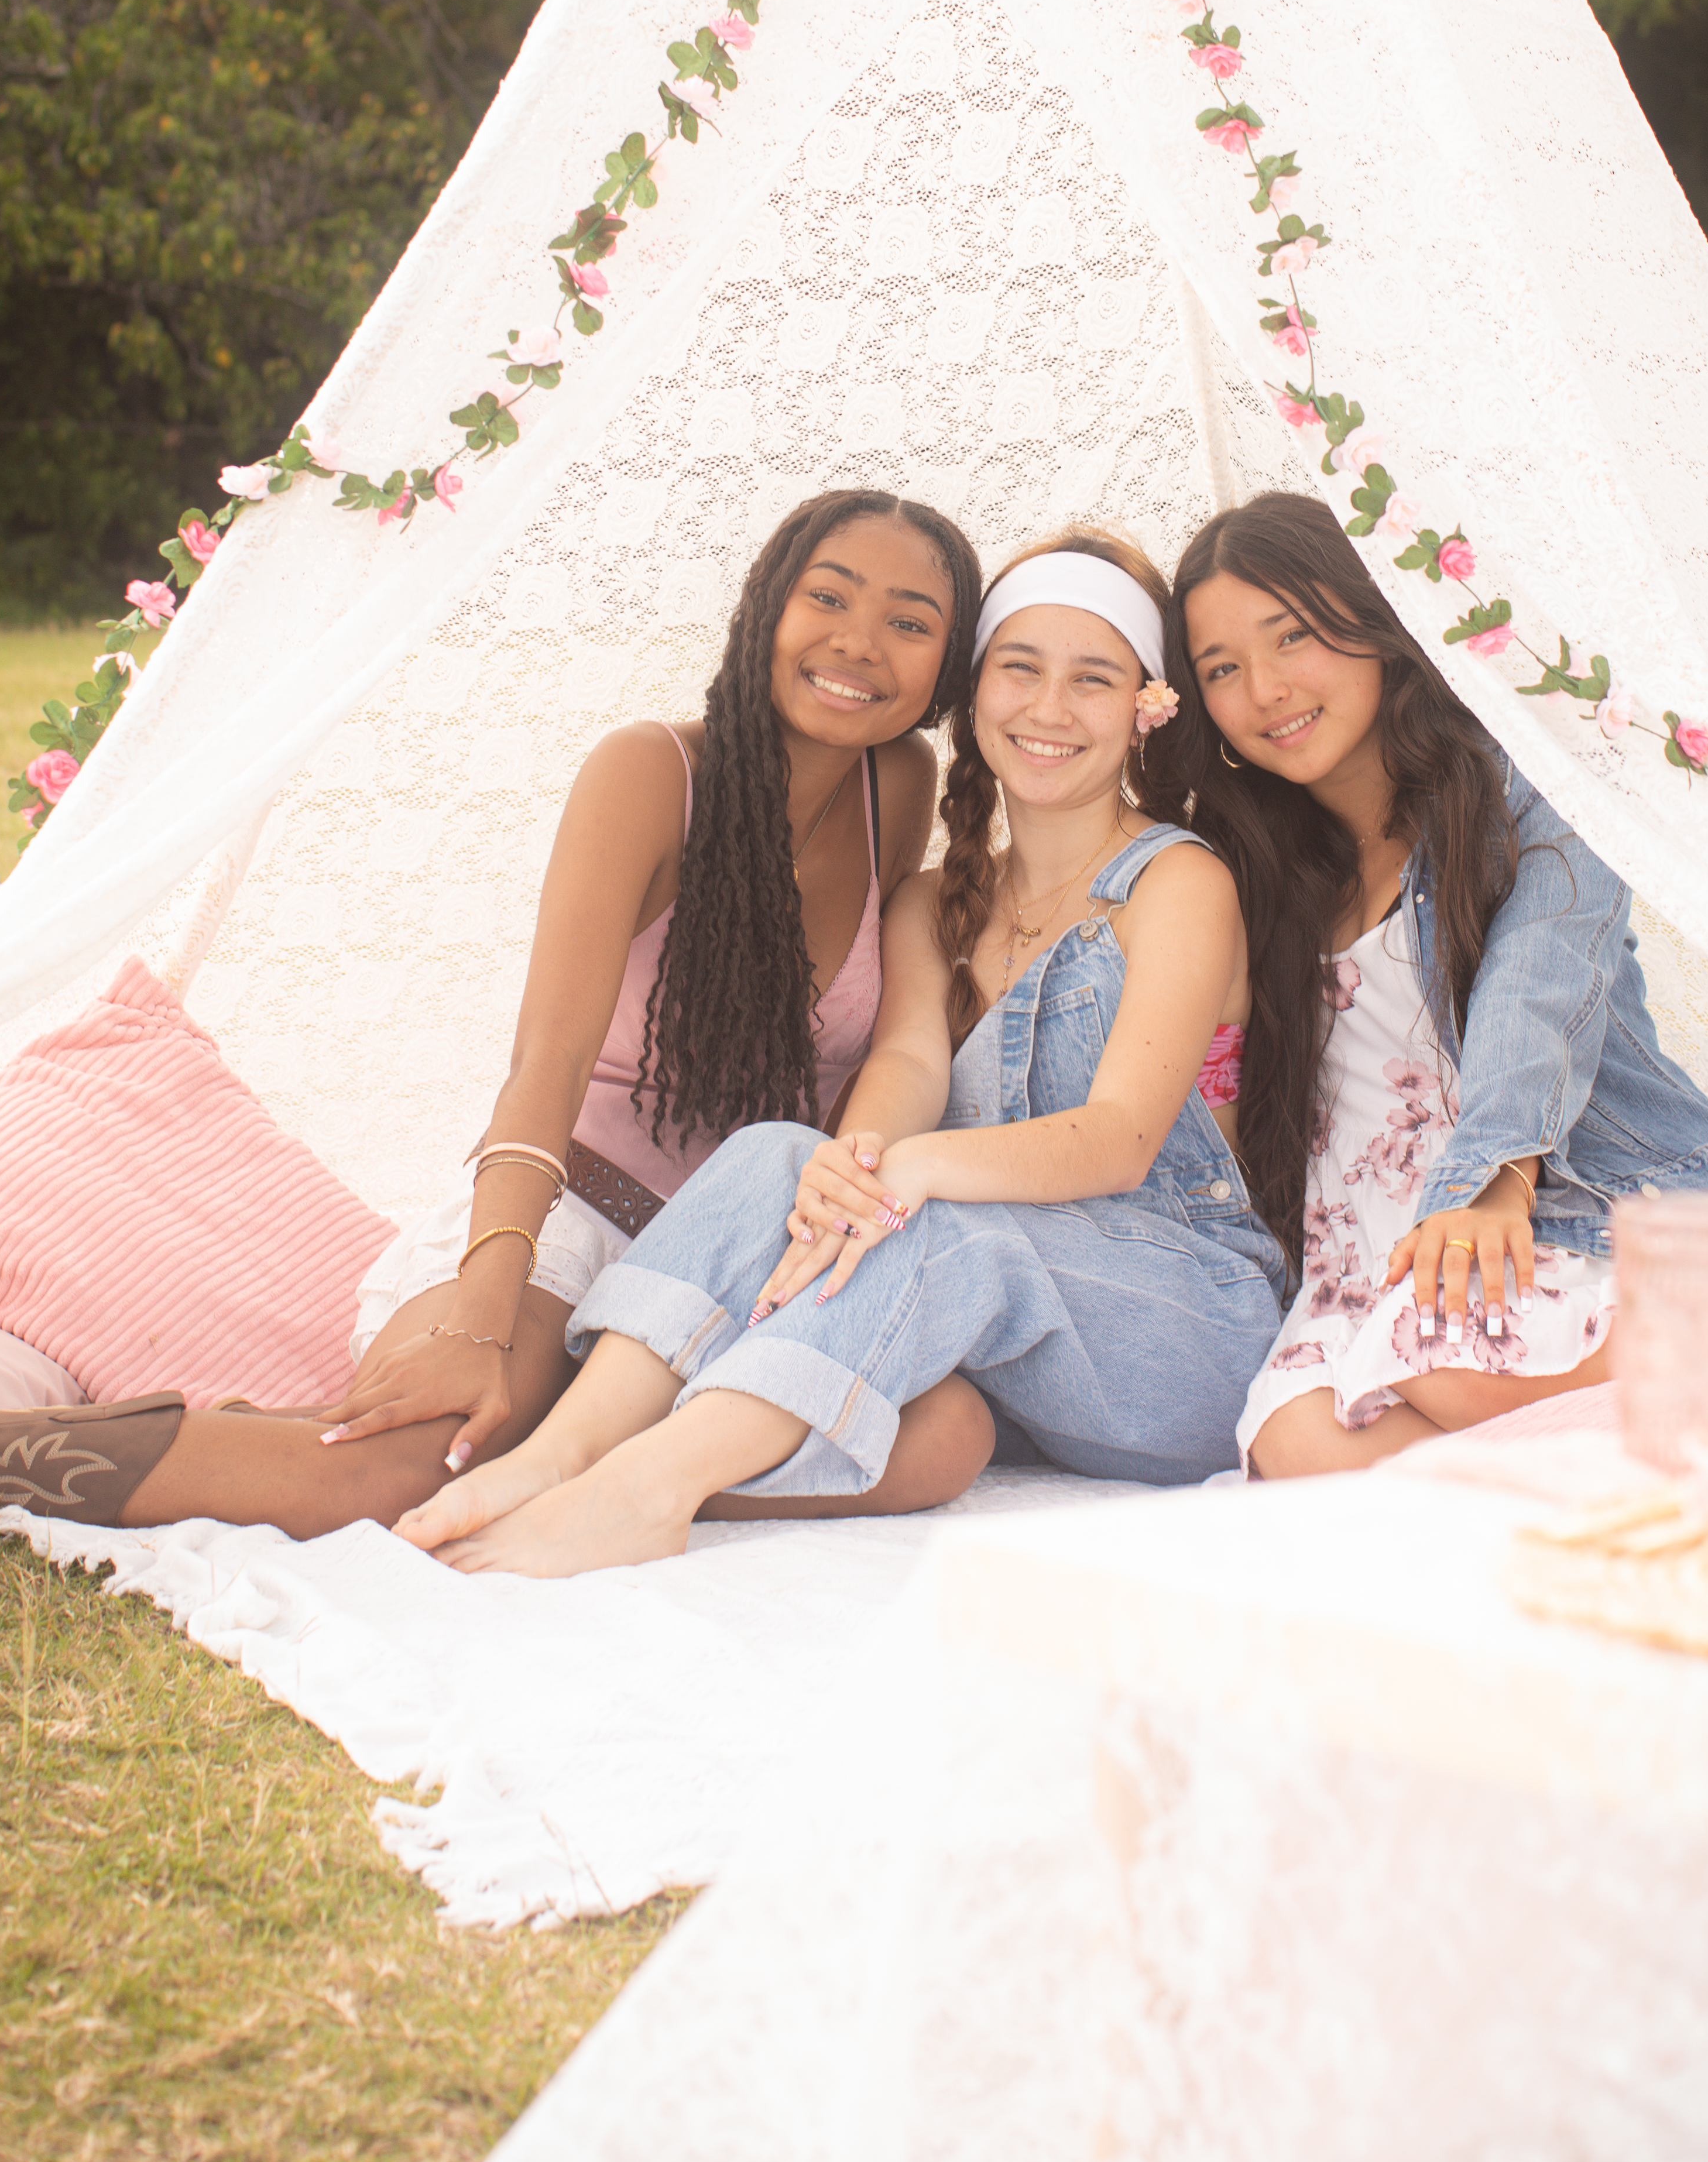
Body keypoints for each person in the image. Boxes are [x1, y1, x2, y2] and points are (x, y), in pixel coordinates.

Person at [0, 487, 993, 1545]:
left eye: (909, 620)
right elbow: (545, 1063)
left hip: (728, 1261)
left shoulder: (895, 785)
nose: (858, 641)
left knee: (942, 1438)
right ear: (768, 607)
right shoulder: (652, 773)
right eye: (830, 596)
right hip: (571, 1219)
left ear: (946, 667)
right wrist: (479, 1308)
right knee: (399, 1470)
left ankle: (580, 1464)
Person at [392, 530, 1288, 1578]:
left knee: (943, 1216)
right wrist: (850, 1163)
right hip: (1016, 1360)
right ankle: (560, 1458)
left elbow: (1120, 1140)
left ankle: (649, 1490)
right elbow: (907, 1066)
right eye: (1020, 670)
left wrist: (904, 1173)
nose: (1049, 710)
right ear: (976, 691)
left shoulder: (1176, 884)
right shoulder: (934, 902)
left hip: (1179, 1336)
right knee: (786, 1150)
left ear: (1147, 706)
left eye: (1093, 680)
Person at [1155, 489, 1708, 1479]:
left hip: (1556, 1211)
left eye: (1295, 637)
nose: (1266, 688)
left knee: (1441, 1356)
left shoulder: (1527, 790)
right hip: (1365, 1266)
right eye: (1222, 668)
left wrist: (1494, 1183)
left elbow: (1540, 984)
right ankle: (1616, 1471)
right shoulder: (1243, 869)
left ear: (1377, 629)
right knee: (1292, 1441)